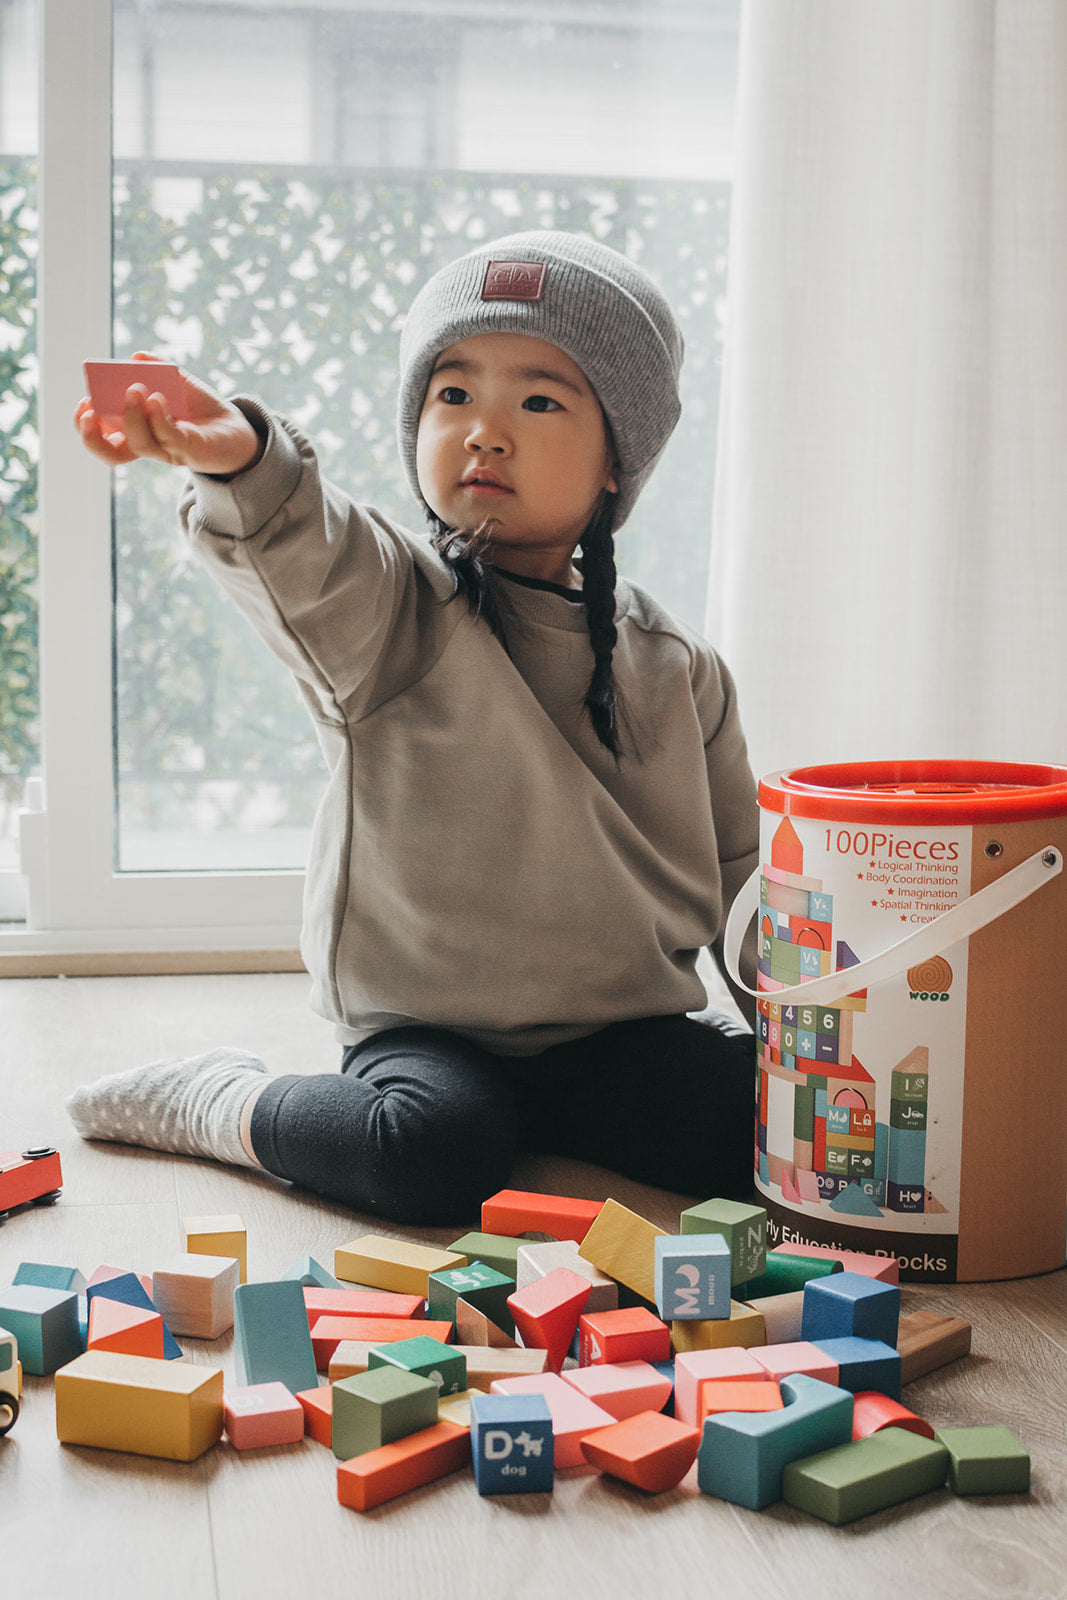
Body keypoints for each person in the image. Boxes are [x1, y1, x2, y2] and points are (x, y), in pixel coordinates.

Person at [67, 230, 760, 1225]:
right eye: (452, 393)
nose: (484, 430)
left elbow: (746, 886)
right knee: (429, 1152)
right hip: (431, 1035)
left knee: (781, 1132)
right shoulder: (396, 612)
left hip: (619, 1034)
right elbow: (309, 542)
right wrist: (245, 458)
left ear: (619, 456)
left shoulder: (677, 666)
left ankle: (575, 1121)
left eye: (537, 400)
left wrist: (810, 1065)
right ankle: (221, 1099)